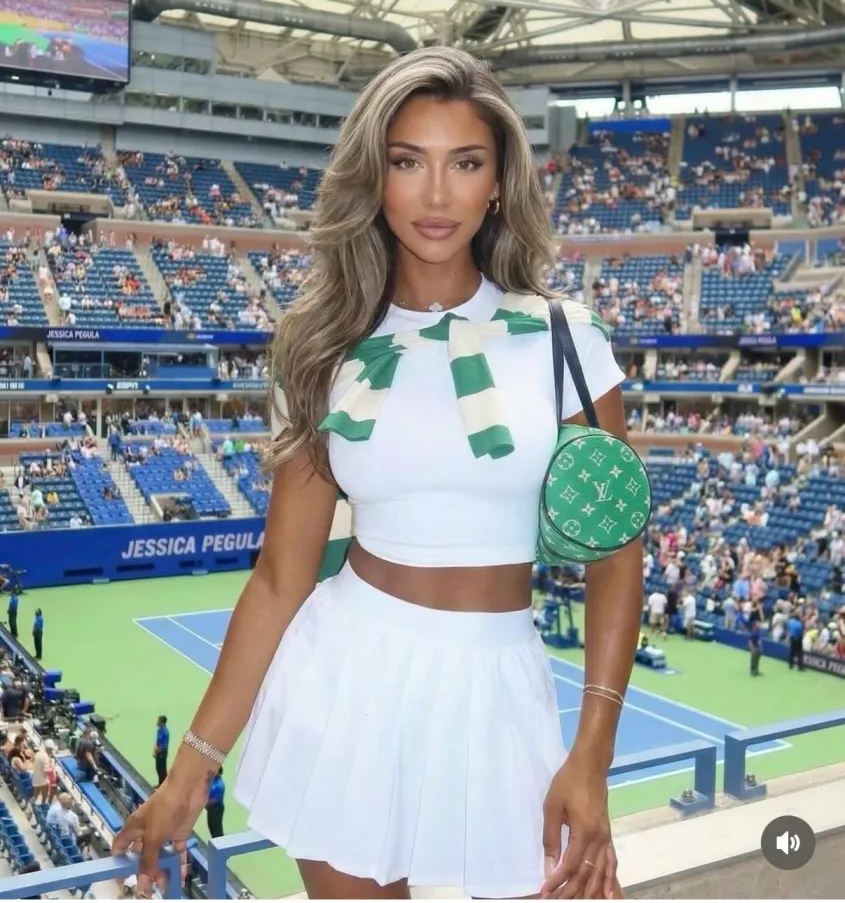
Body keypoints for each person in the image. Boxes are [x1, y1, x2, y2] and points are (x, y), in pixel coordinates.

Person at [112, 47, 642, 901]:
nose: (436, 196)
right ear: (375, 176)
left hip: (502, 688)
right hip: (345, 681)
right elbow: (283, 576)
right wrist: (191, 770)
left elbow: (617, 556)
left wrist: (592, 753)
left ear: (498, 181)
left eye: (464, 163)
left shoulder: (565, 339)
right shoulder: (320, 346)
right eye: (407, 162)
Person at [206, 767, 225, 839]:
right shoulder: (212, 780)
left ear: (219, 773)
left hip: (216, 809)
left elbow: (214, 801)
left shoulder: (219, 785)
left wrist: (202, 804)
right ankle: (215, 841)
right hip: (211, 808)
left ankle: (221, 844)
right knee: (210, 825)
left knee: (217, 828)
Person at [154, 716, 169, 787]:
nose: (157, 722)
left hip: (162, 753)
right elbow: (158, 742)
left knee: (162, 770)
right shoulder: (159, 730)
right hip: (158, 752)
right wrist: (155, 750)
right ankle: (160, 784)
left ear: (162, 723)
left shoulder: (165, 732)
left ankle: (164, 785)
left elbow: (164, 745)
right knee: (158, 769)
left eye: (158, 721)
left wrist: (157, 751)